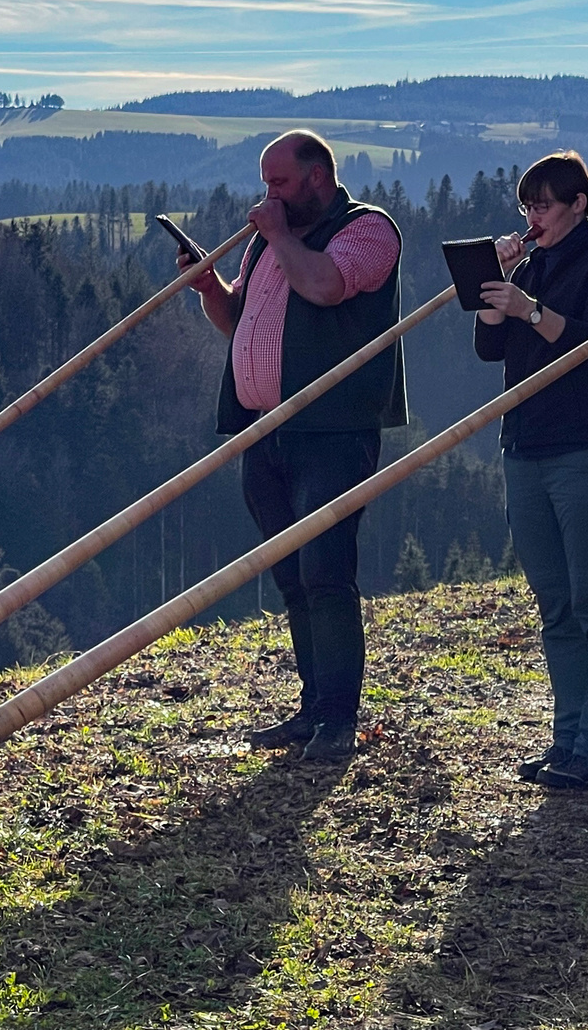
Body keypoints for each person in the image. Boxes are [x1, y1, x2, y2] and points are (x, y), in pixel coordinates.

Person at [181, 129, 406, 761]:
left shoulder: (367, 229)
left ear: (316, 178)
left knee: (325, 572)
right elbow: (238, 322)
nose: (267, 195)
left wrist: (277, 235)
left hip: (331, 431)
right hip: (265, 431)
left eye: (278, 182)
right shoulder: (265, 243)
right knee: (291, 578)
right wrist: (210, 289)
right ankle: (312, 711)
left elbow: (326, 287)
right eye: (265, 183)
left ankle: (340, 719)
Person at [473, 151, 588, 790]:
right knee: (556, 606)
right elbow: (489, 347)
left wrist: (528, 309)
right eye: (526, 206)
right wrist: (495, 287)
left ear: (579, 204)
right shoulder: (532, 266)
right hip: (524, 450)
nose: (533, 217)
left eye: (543, 204)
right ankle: (568, 738)